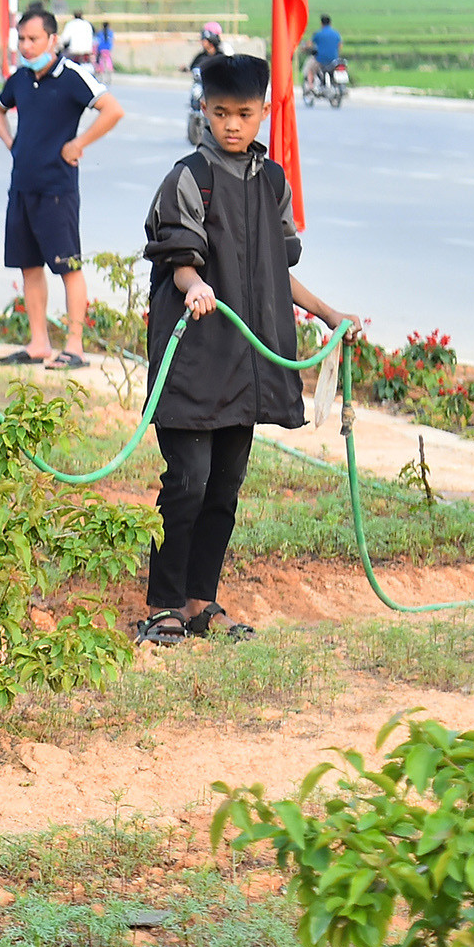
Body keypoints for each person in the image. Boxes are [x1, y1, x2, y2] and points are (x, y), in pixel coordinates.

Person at [137, 54, 348, 645]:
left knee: (225, 486)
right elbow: (180, 262)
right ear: (204, 109)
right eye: (221, 112)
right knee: (188, 482)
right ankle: (165, 604)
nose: (233, 124)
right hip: (194, 360)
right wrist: (195, 284)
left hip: (245, 363)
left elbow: (279, 270)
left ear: (263, 114)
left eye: (246, 113)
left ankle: (203, 601)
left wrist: (330, 313)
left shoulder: (272, 181)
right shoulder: (187, 178)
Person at [0, 9, 126, 370]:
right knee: (29, 267)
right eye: (21, 39)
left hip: (57, 189)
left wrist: (79, 144)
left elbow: (112, 110)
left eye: (33, 39)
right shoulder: (19, 79)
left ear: (52, 40)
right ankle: (38, 344)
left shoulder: (73, 77)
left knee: (68, 266)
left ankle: (75, 347)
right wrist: (11, 144)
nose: (26, 46)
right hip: (22, 187)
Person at [305, 13, 341, 90]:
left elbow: (309, 44)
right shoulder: (336, 34)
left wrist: (304, 47)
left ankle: (310, 87)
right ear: (330, 23)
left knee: (310, 68)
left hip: (321, 60)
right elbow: (340, 46)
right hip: (334, 59)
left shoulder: (318, 34)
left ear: (321, 23)